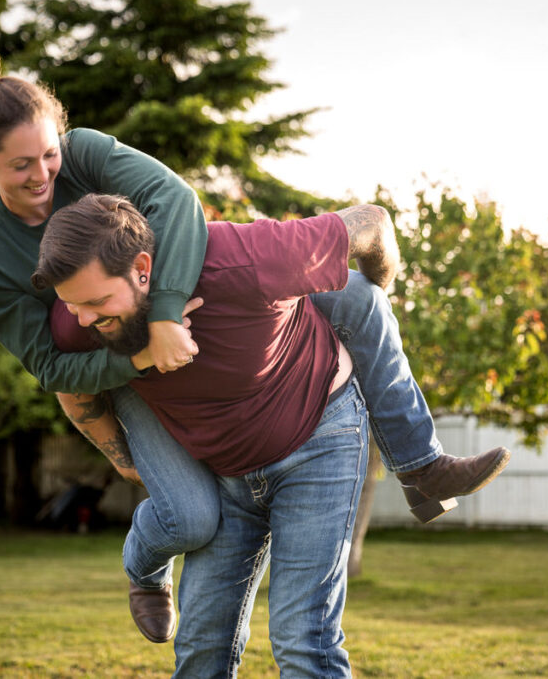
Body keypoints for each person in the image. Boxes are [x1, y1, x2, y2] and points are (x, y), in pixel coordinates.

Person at [0, 47, 510, 644]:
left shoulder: (83, 152)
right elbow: (51, 364)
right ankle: (144, 568)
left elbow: (177, 203)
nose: (43, 175)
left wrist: (165, 313)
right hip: (120, 368)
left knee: (359, 298)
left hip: (176, 305)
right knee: (190, 518)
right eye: (20, 167)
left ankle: (421, 466)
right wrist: (138, 360)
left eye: (49, 155)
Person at [37, 193, 401, 676]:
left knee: (302, 640)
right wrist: (120, 455)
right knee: (203, 643)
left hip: (320, 433)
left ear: (143, 270)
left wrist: (376, 292)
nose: (84, 318)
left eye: (97, 301)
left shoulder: (241, 256)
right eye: (73, 304)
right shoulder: (77, 320)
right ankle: (143, 568)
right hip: (228, 470)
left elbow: (371, 222)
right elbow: (68, 381)